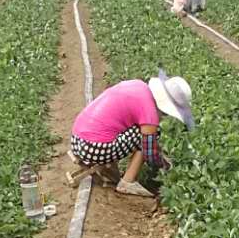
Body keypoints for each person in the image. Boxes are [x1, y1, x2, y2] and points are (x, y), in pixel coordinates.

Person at [68, 70, 194, 198]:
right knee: (148, 137)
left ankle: (110, 170)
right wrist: (165, 165)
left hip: (77, 140)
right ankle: (128, 181)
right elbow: (149, 152)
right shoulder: (150, 112)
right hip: (93, 148)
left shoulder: (138, 85)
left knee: (143, 133)